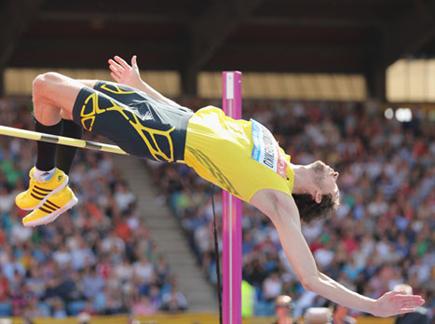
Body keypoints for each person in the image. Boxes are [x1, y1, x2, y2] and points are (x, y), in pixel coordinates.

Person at [15, 56, 425, 317]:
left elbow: (312, 279)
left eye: (333, 188)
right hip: (163, 114)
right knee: (51, 92)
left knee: (44, 86)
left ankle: (45, 183)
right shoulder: (272, 145)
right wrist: (142, 86)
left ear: (313, 196)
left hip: (160, 135)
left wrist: (373, 306)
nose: (336, 175)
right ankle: (54, 185)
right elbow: (194, 115)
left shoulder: (278, 200)